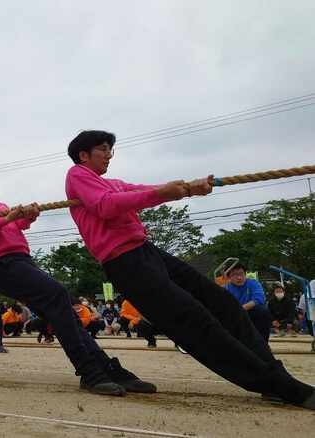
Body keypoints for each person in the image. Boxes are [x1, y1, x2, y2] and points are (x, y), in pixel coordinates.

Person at [64, 129, 314, 409]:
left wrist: (187, 188)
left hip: (146, 252)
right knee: (194, 321)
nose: (109, 154)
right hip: (124, 261)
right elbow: (106, 206)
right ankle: (282, 387)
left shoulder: (110, 182)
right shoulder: (77, 175)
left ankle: (276, 377)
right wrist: (164, 193)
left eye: (111, 149)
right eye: (102, 149)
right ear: (83, 155)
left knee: (223, 303)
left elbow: (141, 189)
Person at [0, 156, 155, 396]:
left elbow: (16, 226)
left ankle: (104, 368)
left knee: (63, 310)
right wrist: (8, 218)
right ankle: (90, 371)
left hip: (22, 261)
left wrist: (27, 216)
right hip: (1, 264)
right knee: (58, 294)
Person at [223, 264, 272, 342]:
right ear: (229, 277)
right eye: (235, 275)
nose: (239, 277)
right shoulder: (225, 288)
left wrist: (241, 309)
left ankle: (263, 344)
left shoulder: (253, 283)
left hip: (250, 313)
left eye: (241, 274)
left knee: (263, 311)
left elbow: (259, 299)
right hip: (235, 316)